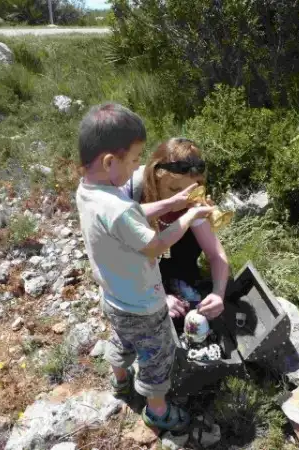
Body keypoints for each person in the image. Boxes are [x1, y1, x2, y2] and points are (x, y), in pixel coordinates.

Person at [75, 104, 213, 431]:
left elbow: (132, 215)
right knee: (157, 356)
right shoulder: (118, 208)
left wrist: (172, 203)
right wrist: (189, 217)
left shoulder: (89, 192)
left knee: (122, 340)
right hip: (142, 304)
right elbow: (155, 244)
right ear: (110, 162)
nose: (138, 166)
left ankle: (120, 381)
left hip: (113, 297)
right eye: (135, 159)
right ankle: (157, 410)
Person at [121, 137, 230, 321]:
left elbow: (215, 253)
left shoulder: (193, 199)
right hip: (131, 269)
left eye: (190, 191)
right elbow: (121, 262)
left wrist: (218, 294)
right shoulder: (131, 189)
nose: (182, 199)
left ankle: (176, 281)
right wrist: (157, 296)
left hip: (168, 263)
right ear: (155, 176)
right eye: (173, 189)